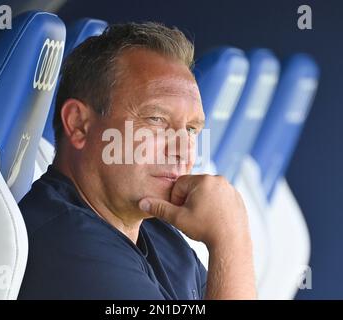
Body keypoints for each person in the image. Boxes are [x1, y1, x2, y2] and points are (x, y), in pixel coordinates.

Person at [18, 22, 256, 299]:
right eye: (156, 120)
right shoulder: (69, 246)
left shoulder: (156, 231)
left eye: (191, 129)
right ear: (79, 124)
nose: (182, 150)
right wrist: (230, 239)